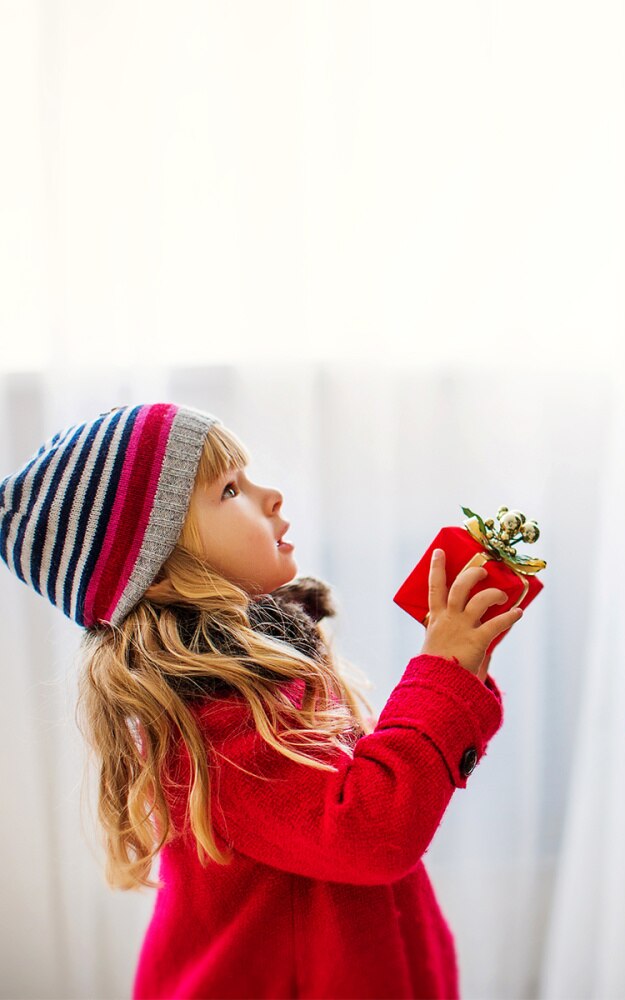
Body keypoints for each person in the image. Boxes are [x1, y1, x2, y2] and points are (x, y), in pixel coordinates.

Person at [0, 402, 523, 999]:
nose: (271, 496)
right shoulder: (212, 723)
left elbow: (364, 788)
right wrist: (441, 676)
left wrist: (460, 670)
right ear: (160, 573)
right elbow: (369, 829)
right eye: (230, 490)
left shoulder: (261, 673)